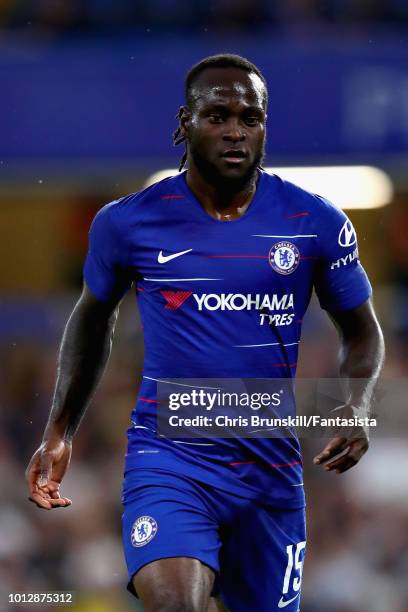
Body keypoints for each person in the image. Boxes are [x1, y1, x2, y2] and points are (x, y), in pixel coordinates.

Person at [26, 54, 384, 611]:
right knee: (176, 605)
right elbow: (93, 320)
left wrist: (355, 405)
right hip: (169, 461)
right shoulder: (128, 223)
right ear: (184, 123)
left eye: (251, 117)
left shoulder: (316, 222)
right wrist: (61, 428)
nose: (236, 131)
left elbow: (362, 332)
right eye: (218, 115)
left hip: (270, 475)